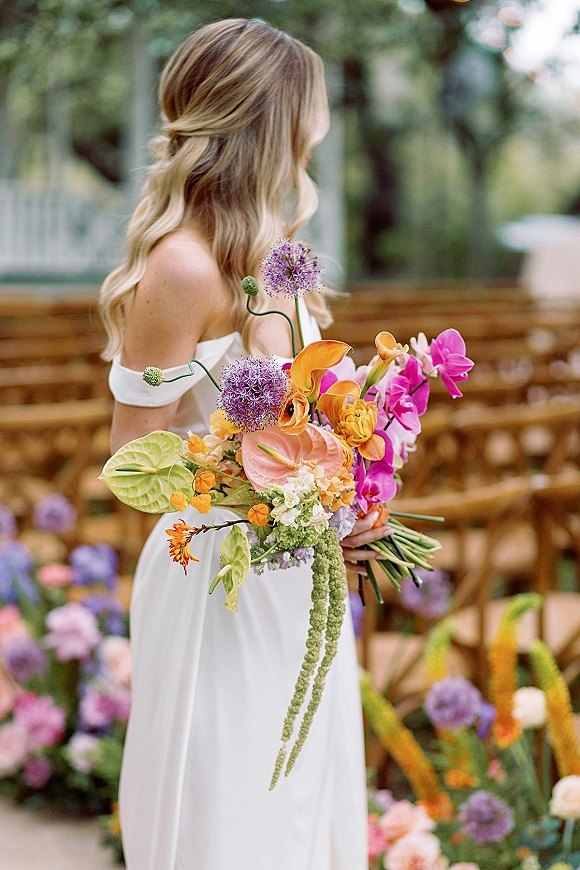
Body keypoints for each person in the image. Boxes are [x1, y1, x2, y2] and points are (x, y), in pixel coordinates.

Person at [100, 18, 388, 870]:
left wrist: (344, 489)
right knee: (230, 812)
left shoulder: (280, 258)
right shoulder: (182, 268)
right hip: (215, 576)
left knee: (295, 809)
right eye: (309, 122)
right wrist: (277, 490)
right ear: (269, 126)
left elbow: (305, 412)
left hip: (297, 575)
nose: (317, 139)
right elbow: (131, 463)